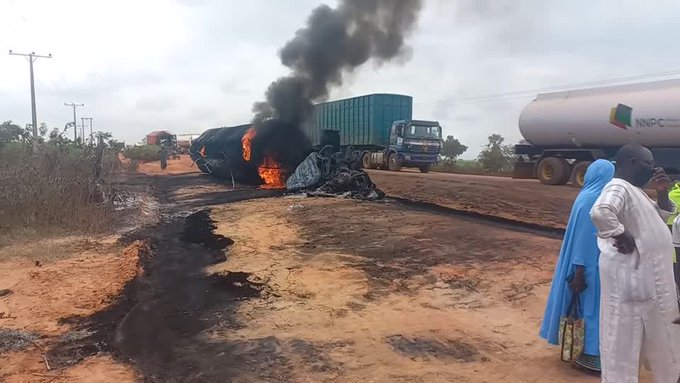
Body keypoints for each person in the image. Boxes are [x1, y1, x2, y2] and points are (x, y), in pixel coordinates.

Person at [590, 143, 680, 383]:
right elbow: (601, 211)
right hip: (632, 284)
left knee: (641, 344)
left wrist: (661, 193)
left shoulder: (635, 190)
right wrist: (621, 234)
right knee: (621, 348)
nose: (653, 168)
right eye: (648, 163)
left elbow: (661, 216)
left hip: (645, 287)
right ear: (630, 162)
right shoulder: (619, 186)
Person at [539, 159, 615, 371]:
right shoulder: (593, 199)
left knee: (585, 308)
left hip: (585, 263)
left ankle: (586, 351)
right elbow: (583, 239)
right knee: (589, 308)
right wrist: (580, 273)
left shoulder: (586, 195)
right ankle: (589, 356)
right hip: (586, 266)